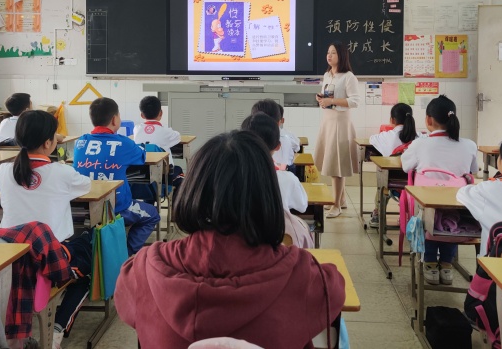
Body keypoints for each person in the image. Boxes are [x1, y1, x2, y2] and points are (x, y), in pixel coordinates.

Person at [114, 131, 345, 349]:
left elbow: (128, 307)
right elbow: (334, 292)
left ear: (194, 188)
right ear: (268, 193)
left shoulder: (143, 270)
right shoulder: (306, 277)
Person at [0, 109, 92, 347]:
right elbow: (87, 186)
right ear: (49, 143)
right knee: (89, 266)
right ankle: (58, 326)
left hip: (9, 255)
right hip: (48, 256)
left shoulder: (3, 171)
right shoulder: (62, 172)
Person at [401, 95, 478, 286]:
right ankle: (446, 264)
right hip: (458, 208)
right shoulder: (469, 145)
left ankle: (429, 263)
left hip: (425, 206)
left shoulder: (420, 144)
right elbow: (473, 170)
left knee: (429, 218)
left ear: (428, 119)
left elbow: (405, 166)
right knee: (449, 220)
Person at [73, 97, 159, 255]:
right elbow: (142, 156)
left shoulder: (80, 142)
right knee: (152, 214)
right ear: (114, 119)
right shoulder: (124, 143)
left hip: (83, 209)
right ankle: (126, 254)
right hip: (117, 208)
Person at [241, 112, 311, 248]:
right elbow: (302, 207)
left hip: (238, 244)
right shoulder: (287, 179)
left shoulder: (229, 176)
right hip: (277, 241)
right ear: (278, 146)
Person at [313, 42, 360, 218]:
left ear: (341, 55)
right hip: (328, 120)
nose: (329, 55)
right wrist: (321, 99)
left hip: (340, 122)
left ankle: (336, 205)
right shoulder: (327, 75)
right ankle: (342, 199)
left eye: (333, 52)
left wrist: (331, 101)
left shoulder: (348, 77)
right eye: (328, 52)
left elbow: (354, 101)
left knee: (336, 165)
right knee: (334, 161)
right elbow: (328, 96)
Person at [367, 103, 418, 226]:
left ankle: (378, 213)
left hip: (392, 183)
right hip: (414, 183)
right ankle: (407, 216)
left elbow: (371, 139)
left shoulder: (386, 136)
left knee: (382, 178)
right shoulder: (420, 137)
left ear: (392, 120)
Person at [250, 99, 299, 171]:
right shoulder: (284, 139)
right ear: (279, 121)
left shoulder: (247, 140)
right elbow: (297, 148)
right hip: (283, 171)